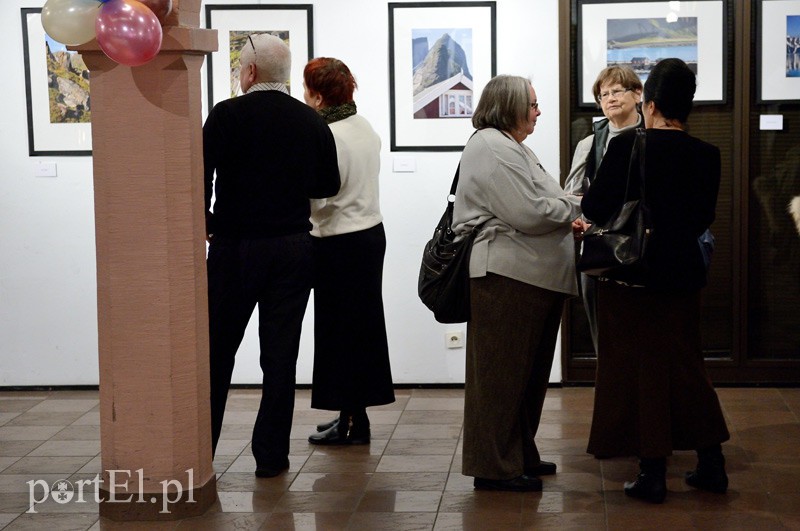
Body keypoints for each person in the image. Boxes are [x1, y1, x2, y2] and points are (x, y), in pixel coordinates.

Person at [581, 58, 730, 503]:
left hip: (633, 275)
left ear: (648, 104)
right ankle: (711, 464)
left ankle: (651, 472)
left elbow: (594, 207)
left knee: (636, 371)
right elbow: (703, 217)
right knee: (687, 368)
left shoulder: (628, 146)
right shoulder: (708, 154)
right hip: (683, 275)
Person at [203, 33, 340, 478]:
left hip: (234, 247)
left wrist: (207, 221)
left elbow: (197, 176)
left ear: (250, 72)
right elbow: (326, 186)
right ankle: (271, 457)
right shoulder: (311, 121)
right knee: (280, 358)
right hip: (292, 248)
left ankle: (201, 450)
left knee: (217, 351)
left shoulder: (226, 115)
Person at [452, 75, 583, 492]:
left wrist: (563, 208)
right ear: (508, 106)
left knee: (524, 377)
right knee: (500, 378)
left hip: (529, 277)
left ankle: (518, 452)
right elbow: (528, 211)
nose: (538, 111)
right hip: (507, 277)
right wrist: (574, 206)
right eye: (532, 104)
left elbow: (542, 205)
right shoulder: (491, 145)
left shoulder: (511, 146)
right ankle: (494, 467)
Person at [301, 57, 395, 445]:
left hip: (339, 242)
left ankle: (353, 422)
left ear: (319, 96)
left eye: (306, 91)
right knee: (361, 331)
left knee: (341, 333)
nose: (303, 98)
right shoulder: (363, 126)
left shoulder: (328, 136)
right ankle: (352, 416)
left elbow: (321, 199)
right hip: (369, 235)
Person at [565, 66, 643, 352]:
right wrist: (578, 222)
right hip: (600, 246)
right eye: (603, 94)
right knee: (604, 330)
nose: (609, 98)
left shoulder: (653, 136)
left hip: (645, 247)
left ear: (638, 94)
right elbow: (572, 193)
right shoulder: (590, 143)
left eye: (616, 91)